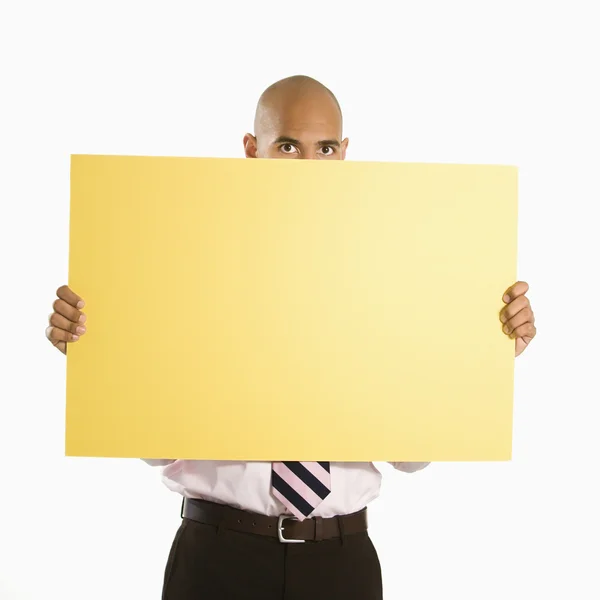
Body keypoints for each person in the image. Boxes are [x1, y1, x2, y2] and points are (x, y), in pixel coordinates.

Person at [46, 75, 537, 600]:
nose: (308, 166)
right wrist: (99, 352)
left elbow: (411, 456)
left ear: (344, 153)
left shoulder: (391, 269)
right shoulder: (188, 261)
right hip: (216, 553)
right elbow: (157, 443)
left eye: (324, 148)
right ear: (251, 150)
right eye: (287, 146)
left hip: (341, 557)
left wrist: (479, 351)